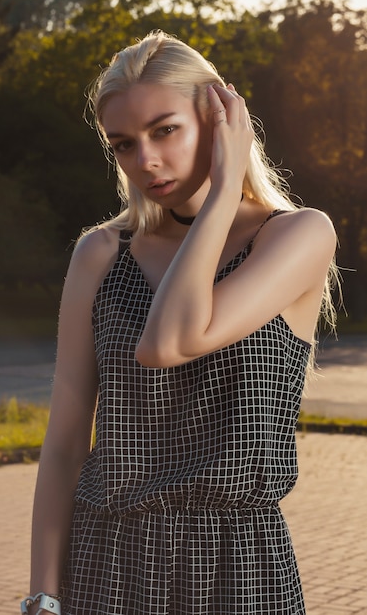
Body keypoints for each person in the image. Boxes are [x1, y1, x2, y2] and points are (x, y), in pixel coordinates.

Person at [21, 30, 337, 615]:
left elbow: (169, 340)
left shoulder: (296, 235)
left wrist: (222, 195)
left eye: (165, 130)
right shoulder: (100, 253)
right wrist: (43, 592)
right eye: (123, 144)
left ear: (221, 121)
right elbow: (65, 441)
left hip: (239, 565)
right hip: (105, 561)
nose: (146, 161)